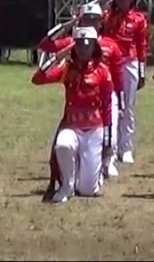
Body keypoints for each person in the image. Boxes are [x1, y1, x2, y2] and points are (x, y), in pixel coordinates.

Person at [40, 2, 126, 178]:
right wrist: (69, 25)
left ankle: (107, 162)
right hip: (82, 92)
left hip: (106, 91)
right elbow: (46, 44)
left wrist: (121, 102)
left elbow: (118, 76)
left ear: (101, 22)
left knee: (110, 134)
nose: (90, 23)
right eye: (86, 19)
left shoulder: (111, 45)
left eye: (94, 20)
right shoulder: (73, 43)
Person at [32, 26, 115, 204]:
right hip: (71, 125)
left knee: (88, 190)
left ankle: (94, 175)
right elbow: (38, 79)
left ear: (94, 47)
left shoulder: (102, 71)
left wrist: (108, 140)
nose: (83, 49)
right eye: (79, 45)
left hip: (94, 129)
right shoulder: (67, 69)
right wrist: (57, 58)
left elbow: (107, 106)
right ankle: (66, 186)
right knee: (63, 144)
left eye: (87, 45)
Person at [101, 0, 148, 167]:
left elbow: (142, 45)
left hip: (130, 63)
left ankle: (126, 147)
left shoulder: (138, 19)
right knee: (110, 105)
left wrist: (142, 72)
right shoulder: (106, 16)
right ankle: (109, 148)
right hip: (109, 63)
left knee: (127, 107)